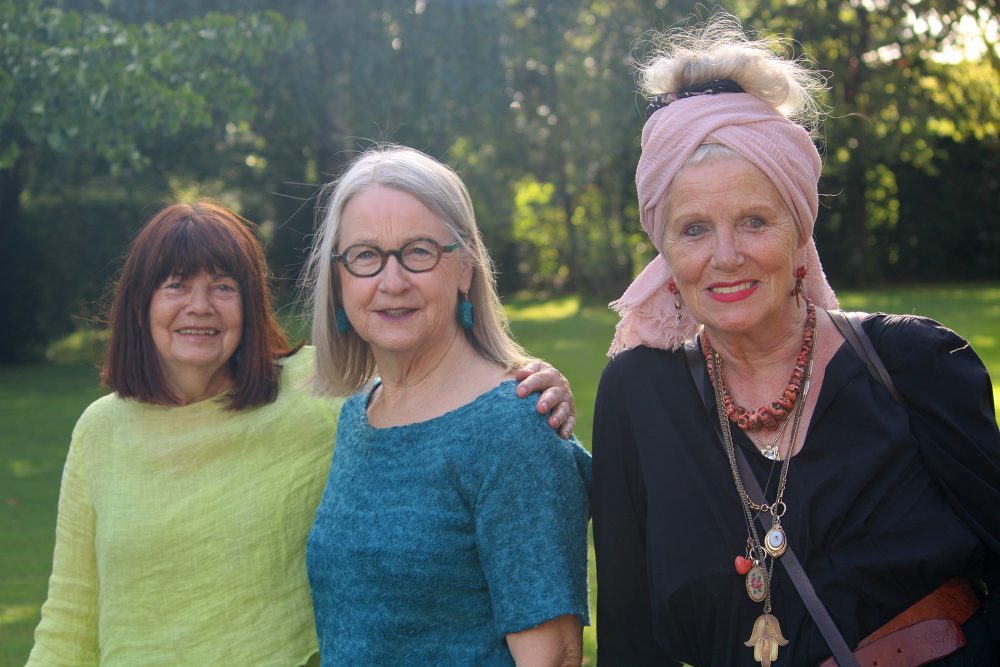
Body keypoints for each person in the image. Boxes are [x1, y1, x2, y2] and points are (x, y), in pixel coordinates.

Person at [592, 14, 1000, 667]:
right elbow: (628, 638)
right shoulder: (637, 395)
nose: (725, 256)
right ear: (663, 247)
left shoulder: (918, 363)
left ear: (798, 230)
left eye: (754, 220)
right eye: (694, 228)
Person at [26, 201, 577, 666]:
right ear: (139, 305)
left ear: (250, 303)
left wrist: (526, 380)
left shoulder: (317, 389)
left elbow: (430, 378)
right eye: (175, 286)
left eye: (223, 286)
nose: (200, 306)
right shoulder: (99, 431)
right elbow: (70, 613)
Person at [302, 145, 592, 666]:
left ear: (465, 267)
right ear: (339, 278)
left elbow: (556, 657)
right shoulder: (358, 417)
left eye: (418, 251)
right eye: (365, 255)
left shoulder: (514, 428)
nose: (392, 282)